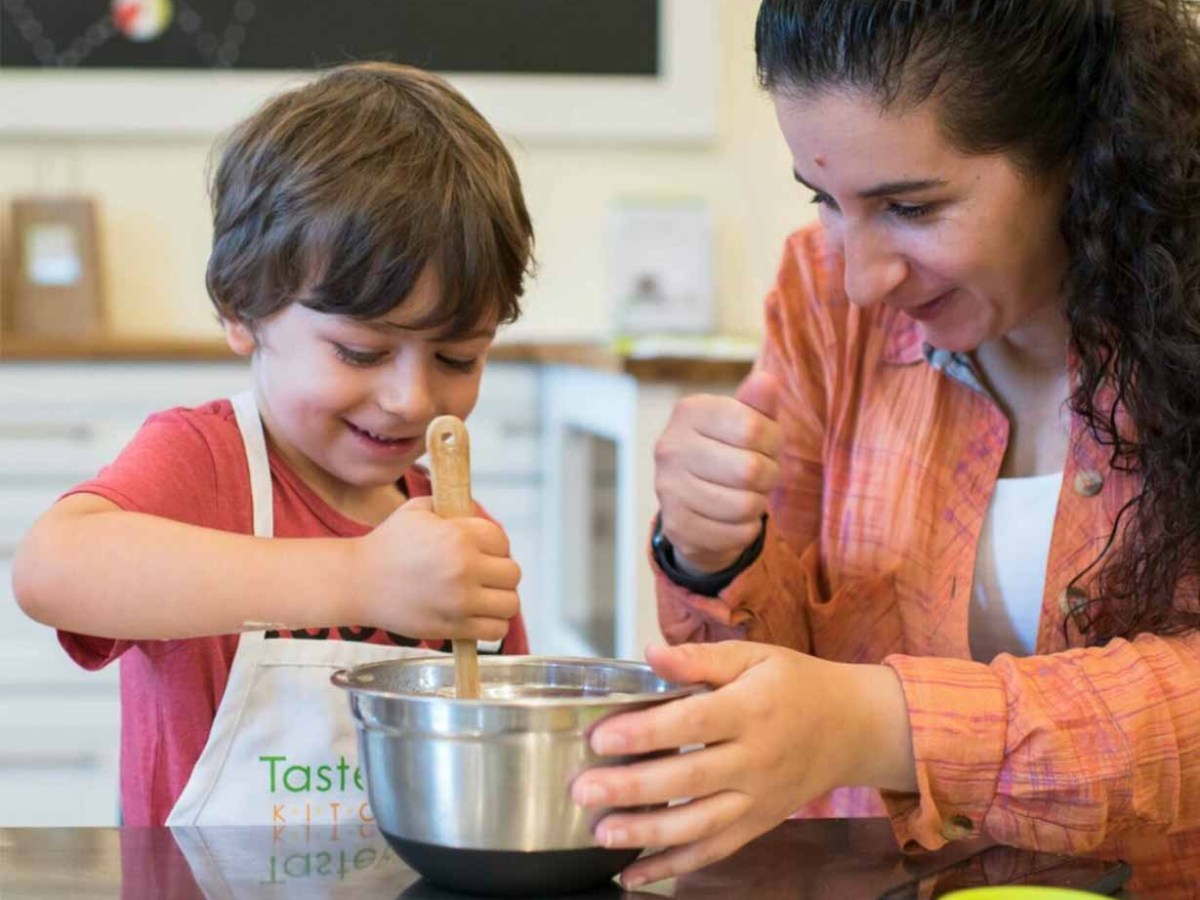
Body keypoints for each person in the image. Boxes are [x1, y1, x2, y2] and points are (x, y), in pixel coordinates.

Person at [570, 1, 1200, 895]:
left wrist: (881, 722)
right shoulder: (819, 298)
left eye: (911, 206)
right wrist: (713, 551)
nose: (863, 279)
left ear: (1083, 150)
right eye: (826, 200)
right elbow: (772, 669)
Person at [12, 62, 535, 828]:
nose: (413, 400)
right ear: (242, 308)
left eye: (458, 358)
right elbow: (51, 570)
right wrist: (358, 576)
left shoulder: (452, 535)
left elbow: (505, 756)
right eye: (361, 352)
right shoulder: (205, 464)